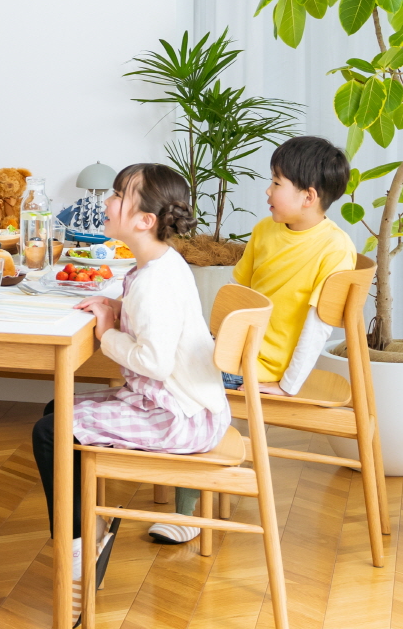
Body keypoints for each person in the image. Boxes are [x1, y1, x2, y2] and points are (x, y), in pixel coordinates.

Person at [32, 163, 229, 611]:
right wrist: (117, 306)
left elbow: (154, 361)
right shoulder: (160, 264)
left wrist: (106, 331)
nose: (107, 201)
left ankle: (78, 550)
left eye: (120, 195)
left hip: (178, 417)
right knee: (55, 412)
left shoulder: (154, 282)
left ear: (145, 221)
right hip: (184, 405)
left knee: (50, 431)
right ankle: (89, 529)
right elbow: (158, 323)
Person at [151, 135, 357, 544]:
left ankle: (189, 512)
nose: (267, 190)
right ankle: (188, 465)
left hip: (263, 365)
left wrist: (287, 384)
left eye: (277, 183)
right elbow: (238, 296)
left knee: (189, 389)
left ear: (308, 196)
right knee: (162, 357)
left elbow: (318, 328)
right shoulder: (265, 230)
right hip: (236, 348)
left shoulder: (335, 249)